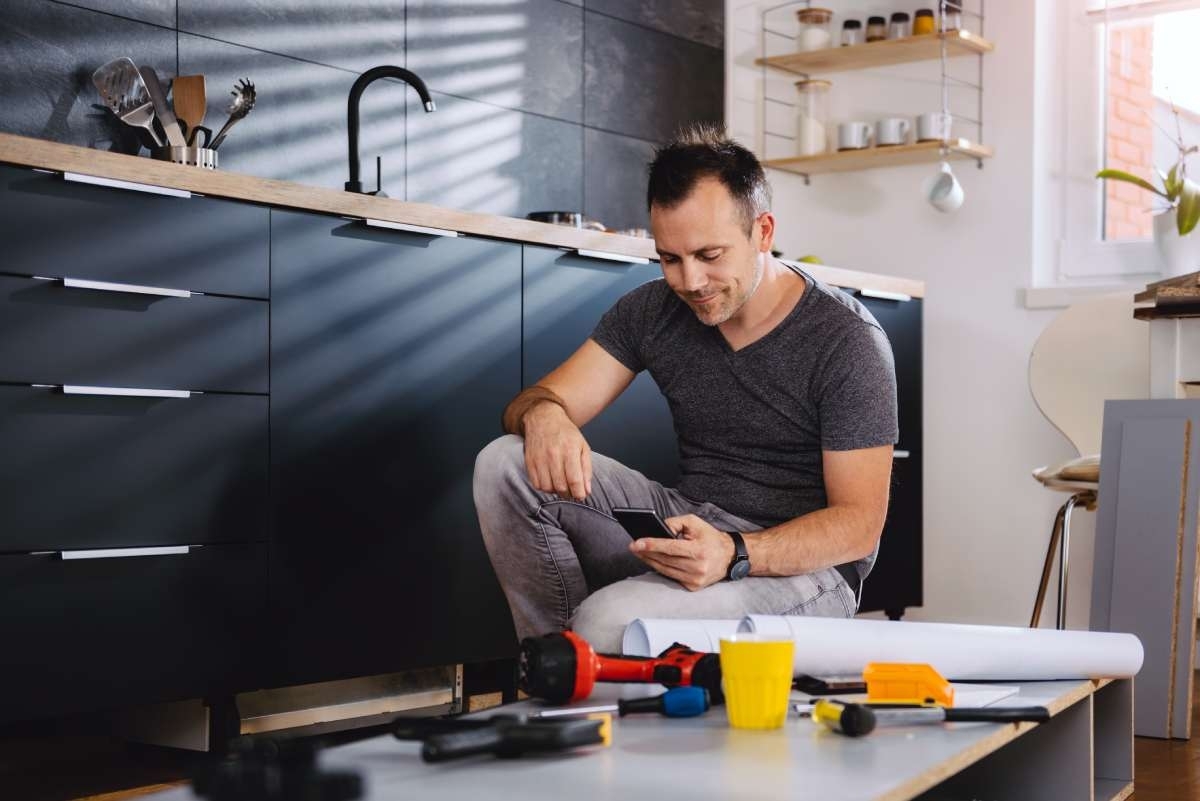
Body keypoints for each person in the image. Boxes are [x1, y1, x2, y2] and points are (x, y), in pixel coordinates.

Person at [473, 124, 897, 653]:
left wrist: (735, 552)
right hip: (692, 526)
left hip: (808, 572)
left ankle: (584, 663)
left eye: (709, 255)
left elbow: (859, 526)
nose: (689, 282)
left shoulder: (846, 338)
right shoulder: (653, 310)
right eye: (669, 258)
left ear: (762, 232)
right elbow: (538, 401)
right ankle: (555, 669)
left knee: (609, 623)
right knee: (504, 462)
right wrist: (546, 417)